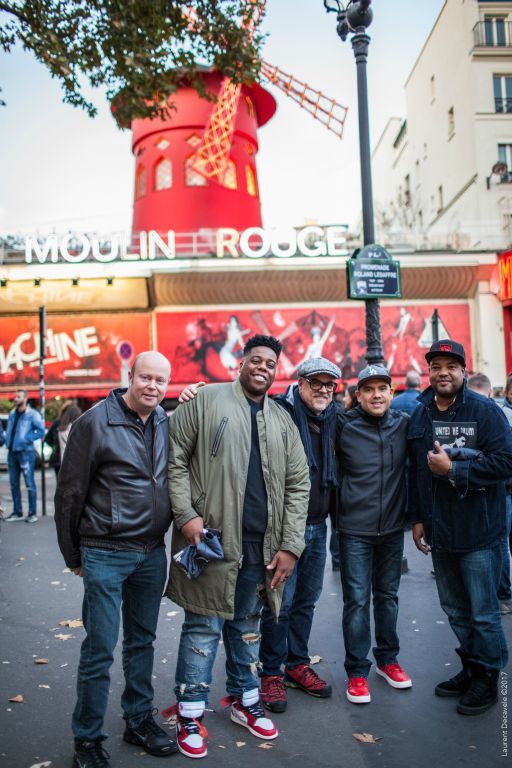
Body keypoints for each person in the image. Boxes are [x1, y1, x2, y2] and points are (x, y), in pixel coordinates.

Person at [166, 335, 310, 759]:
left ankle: (246, 700)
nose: (262, 367)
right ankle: (191, 712)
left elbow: (299, 484)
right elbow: (174, 461)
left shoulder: (283, 419)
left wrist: (290, 546)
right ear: (242, 363)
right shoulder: (204, 400)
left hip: (263, 548)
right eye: (256, 360)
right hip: (210, 541)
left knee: (247, 626)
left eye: (270, 362)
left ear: (275, 370)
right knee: (202, 627)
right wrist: (187, 517)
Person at [55, 351, 178, 768]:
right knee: (100, 650)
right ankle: (86, 741)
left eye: (161, 381)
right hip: (104, 552)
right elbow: (69, 493)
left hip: (150, 552)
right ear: (130, 376)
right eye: (146, 378)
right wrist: (73, 554)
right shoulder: (94, 422)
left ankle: (139, 720)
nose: (153, 387)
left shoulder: (164, 421)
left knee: (142, 643)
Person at [408, 340, 512, 716]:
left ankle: (488, 676)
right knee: (454, 608)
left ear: (464, 371)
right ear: (429, 372)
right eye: (436, 366)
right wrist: (417, 518)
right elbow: (416, 471)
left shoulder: (485, 412)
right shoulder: (420, 412)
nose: (443, 372)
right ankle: (472, 666)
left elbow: (507, 462)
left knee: (483, 612)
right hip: (439, 531)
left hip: (480, 533)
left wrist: (456, 471)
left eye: (451, 365)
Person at [258, 357, 341, 712]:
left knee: (306, 599)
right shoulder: (277, 411)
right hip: (282, 527)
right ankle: (271, 673)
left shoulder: (335, 417)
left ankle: (296, 664)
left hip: (318, 524)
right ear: (301, 383)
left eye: (330, 385)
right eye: (317, 383)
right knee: (280, 602)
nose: (324, 390)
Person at [336, 364, 412, 704]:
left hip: (393, 529)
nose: (376, 394)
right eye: (369, 389)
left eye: (382, 388)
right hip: (354, 529)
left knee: (388, 597)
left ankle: (388, 660)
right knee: (356, 601)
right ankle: (356, 672)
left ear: (392, 394)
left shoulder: (405, 425)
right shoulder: (343, 426)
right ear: (359, 396)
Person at [467, 373, 512, 616]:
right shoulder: (498, 412)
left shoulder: (491, 415)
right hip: (503, 489)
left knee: (500, 542)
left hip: (501, 489)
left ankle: (502, 595)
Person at [4, 389, 45, 523]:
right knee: (14, 484)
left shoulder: (32, 414)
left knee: (29, 483)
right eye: (15, 396)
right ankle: (18, 512)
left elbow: (40, 430)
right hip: (12, 452)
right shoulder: (11, 413)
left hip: (26, 453)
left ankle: (32, 513)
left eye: (18, 397)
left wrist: (27, 438)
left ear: (25, 399)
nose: (16, 399)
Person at [44, 401, 82, 477]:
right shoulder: (77, 425)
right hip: (70, 461)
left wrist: (55, 446)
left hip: (58, 459)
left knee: (60, 484)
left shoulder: (58, 425)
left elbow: (47, 439)